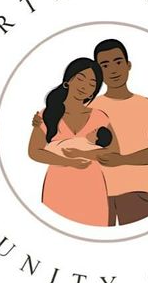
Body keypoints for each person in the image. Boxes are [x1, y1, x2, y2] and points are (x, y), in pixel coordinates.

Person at [80, 39, 148, 225]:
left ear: (128, 65)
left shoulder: (147, 107)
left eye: (118, 62)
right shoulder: (89, 108)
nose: (113, 70)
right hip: (96, 190)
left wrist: (123, 160)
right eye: (105, 65)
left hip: (135, 191)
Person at [27, 57, 111, 226]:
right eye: (80, 78)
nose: (84, 86)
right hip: (58, 186)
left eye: (92, 83)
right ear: (68, 81)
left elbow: (113, 151)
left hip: (92, 185)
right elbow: (34, 152)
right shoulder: (47, 114)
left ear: (94, 91)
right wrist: (68, 161)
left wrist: (80, 154)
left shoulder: (99, 116)